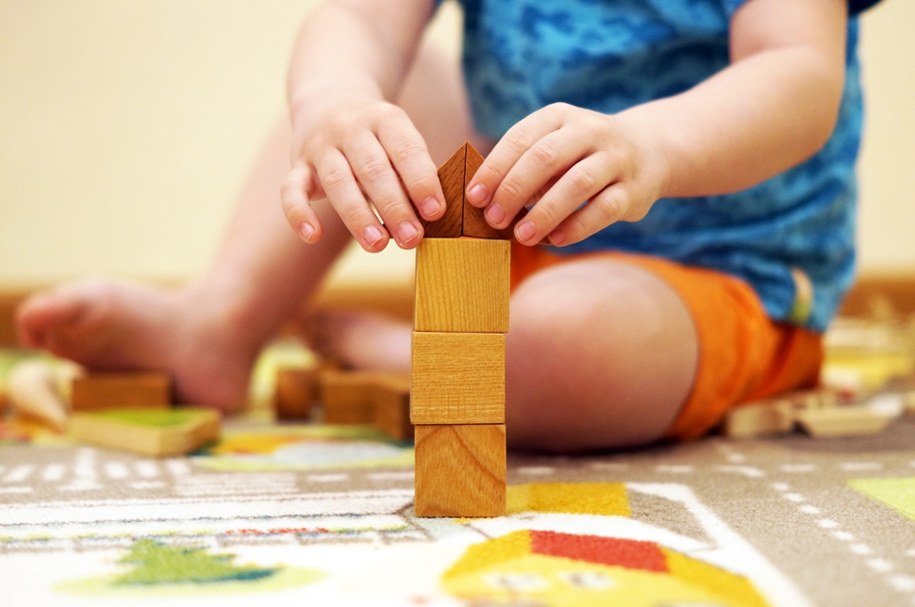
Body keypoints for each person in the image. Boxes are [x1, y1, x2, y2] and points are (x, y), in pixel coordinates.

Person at [16, 0, 880, 452]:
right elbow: (356, 18)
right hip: (521, 226)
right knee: (382, 90)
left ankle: (408, 353)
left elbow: (796, 73)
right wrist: (334, 103)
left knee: (564, 342)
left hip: (721, 283)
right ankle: (221, 317)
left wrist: (653, 145)